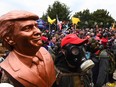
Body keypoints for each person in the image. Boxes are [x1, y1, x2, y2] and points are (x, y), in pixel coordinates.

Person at [0, 10, 56, 87]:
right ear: (9, 39)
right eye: (27, 28)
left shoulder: (45, 53)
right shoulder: (7, 67)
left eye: (36, 26)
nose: (38, 31)